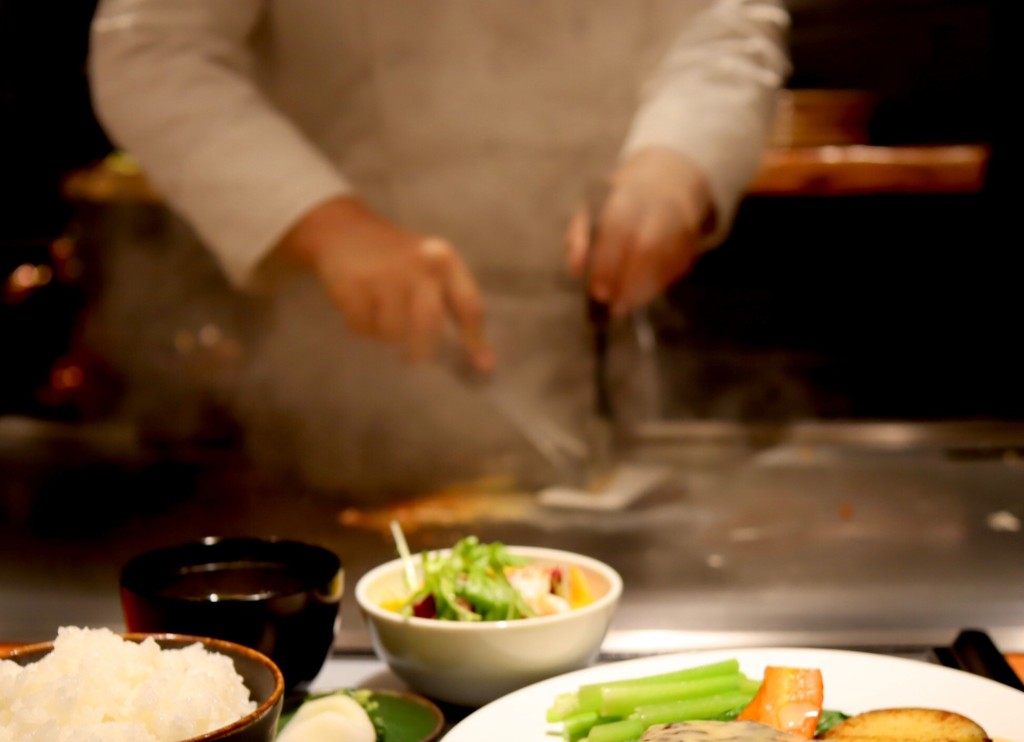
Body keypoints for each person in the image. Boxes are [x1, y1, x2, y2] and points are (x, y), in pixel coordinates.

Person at [88, 0, 790, 498]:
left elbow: (721, 21)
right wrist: (332, 226)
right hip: (340, 355)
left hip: (588, 314)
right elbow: (152, 48)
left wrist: (674, 163)